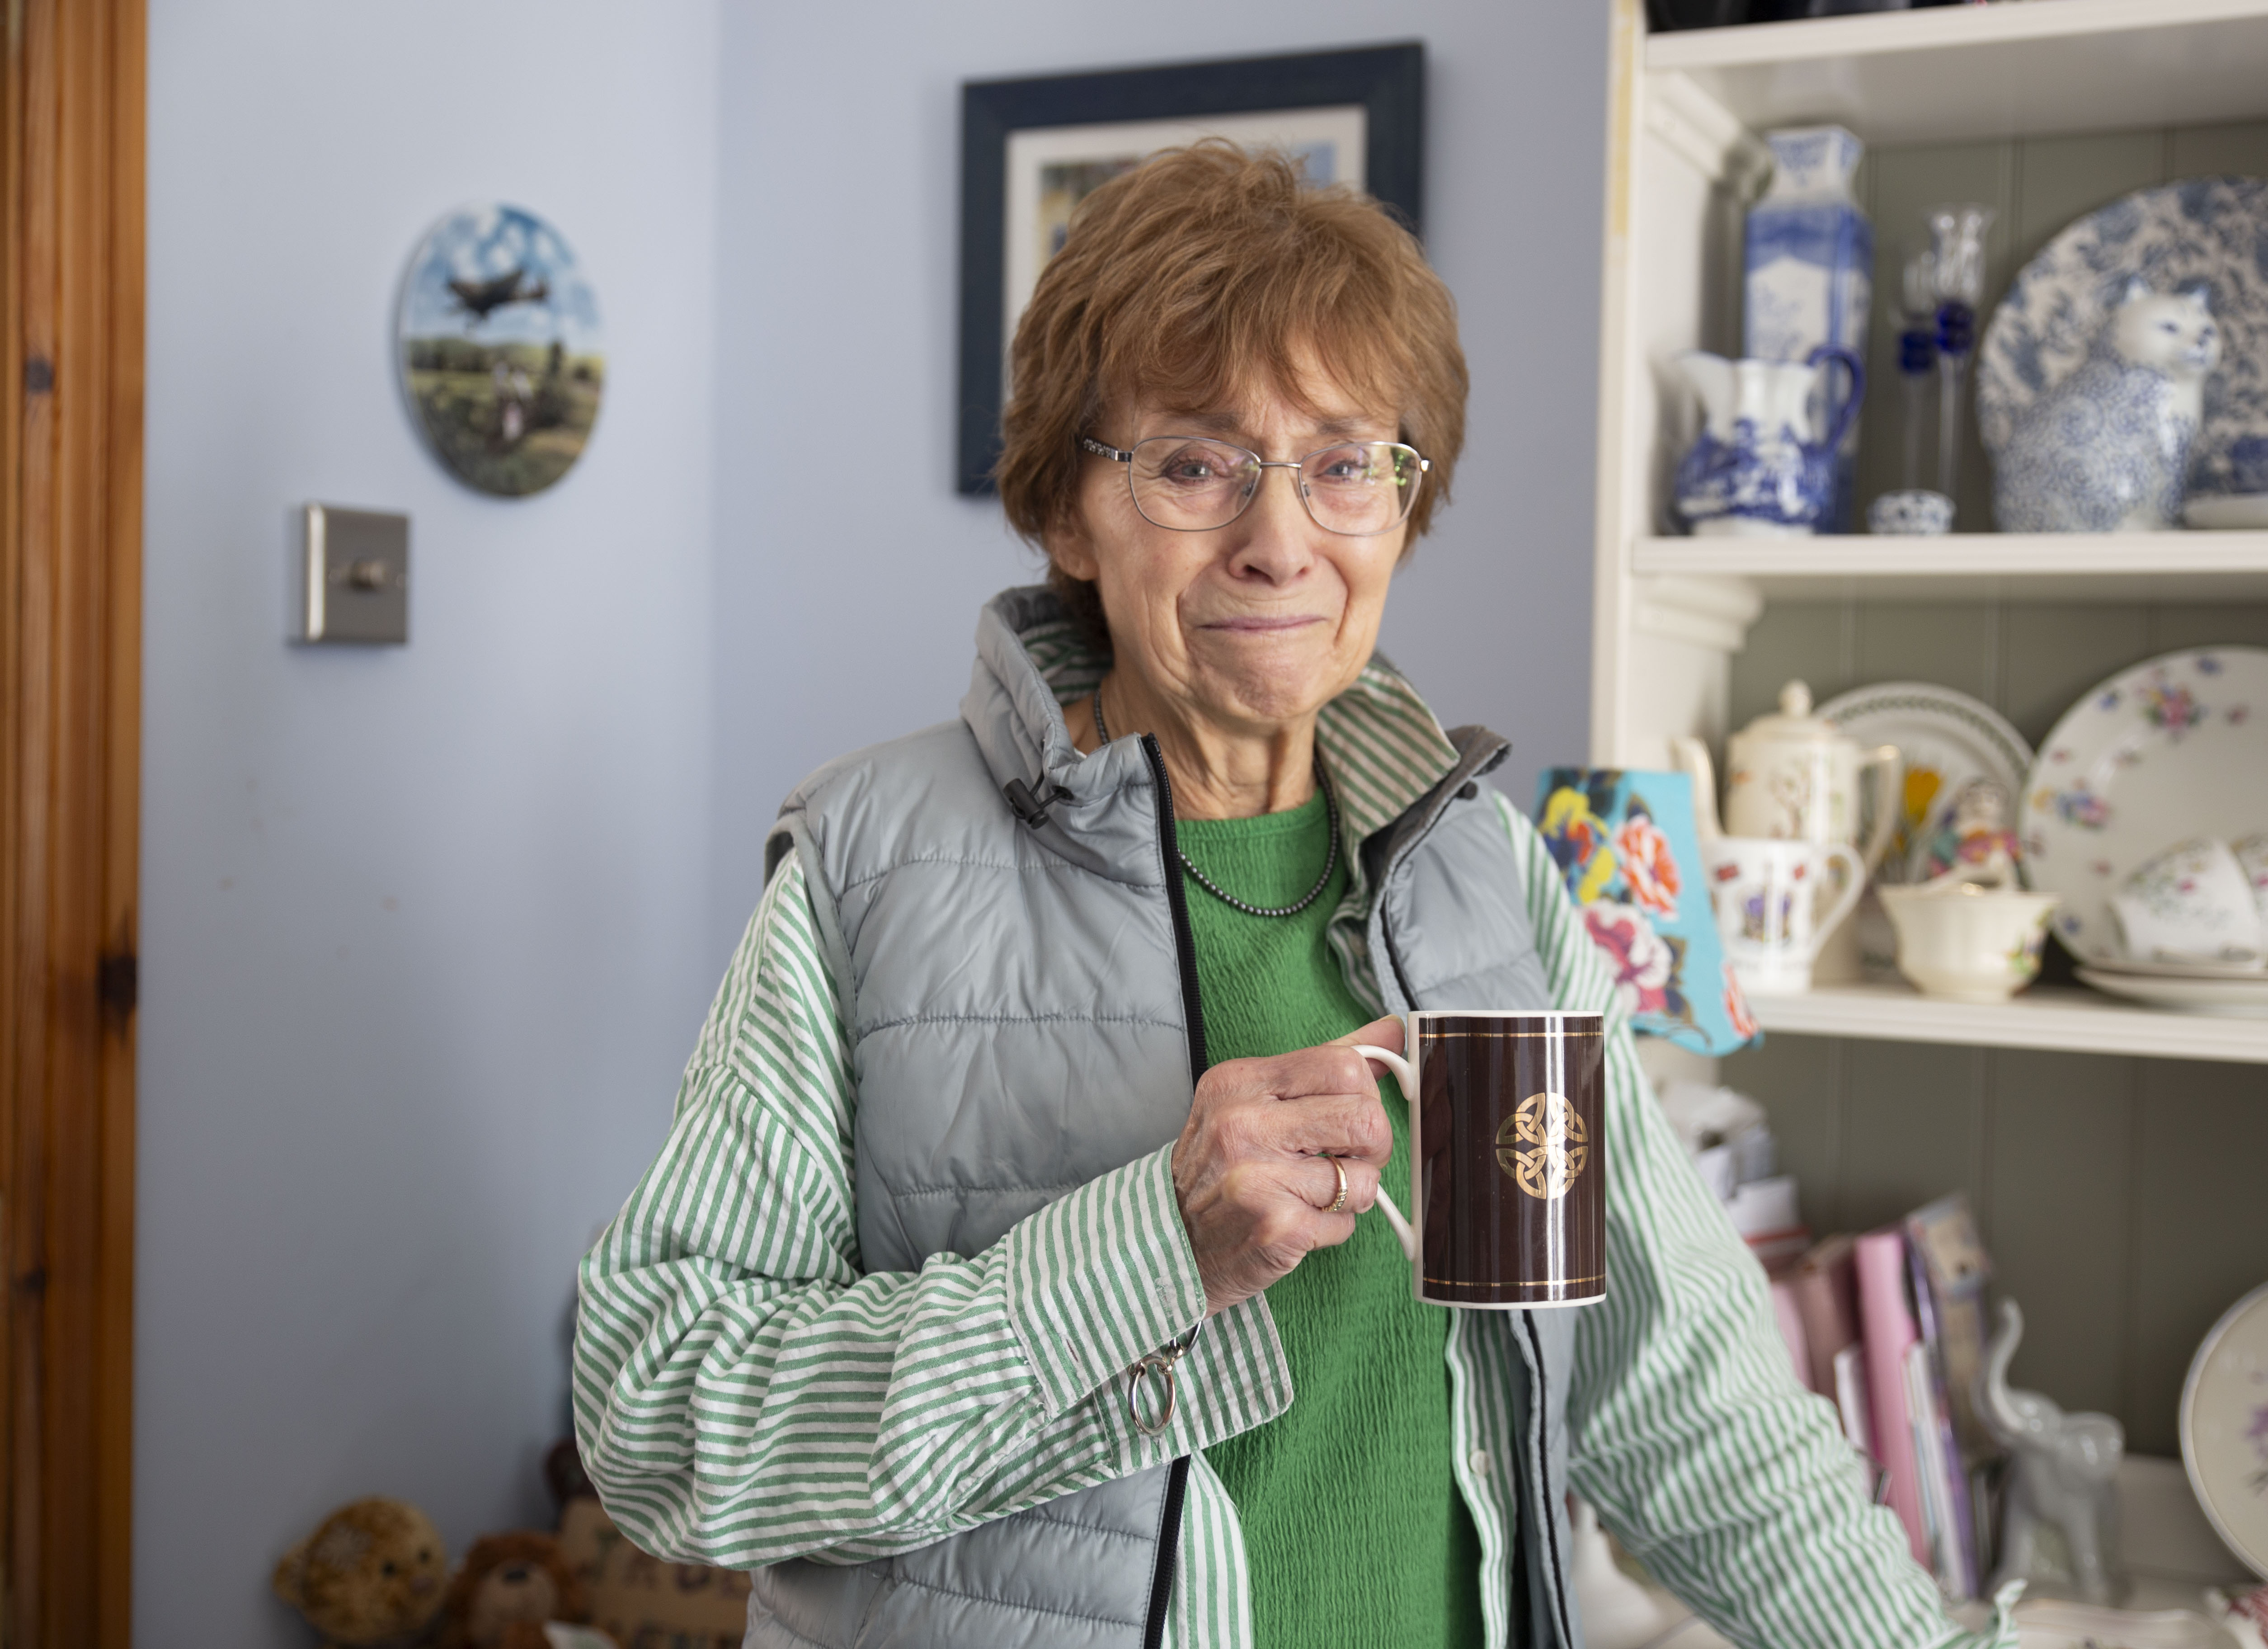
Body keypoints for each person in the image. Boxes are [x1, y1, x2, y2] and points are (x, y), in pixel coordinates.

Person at [573, 141, 2010, 1649]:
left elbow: (1681, 1398)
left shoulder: (1489, 879)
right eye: (1193, 463)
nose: (1279, 539)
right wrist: (1148, 1256)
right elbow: (664, 1426)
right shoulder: (872, 860)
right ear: (1070, 513)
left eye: (1343, 464)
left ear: (1402, 504)